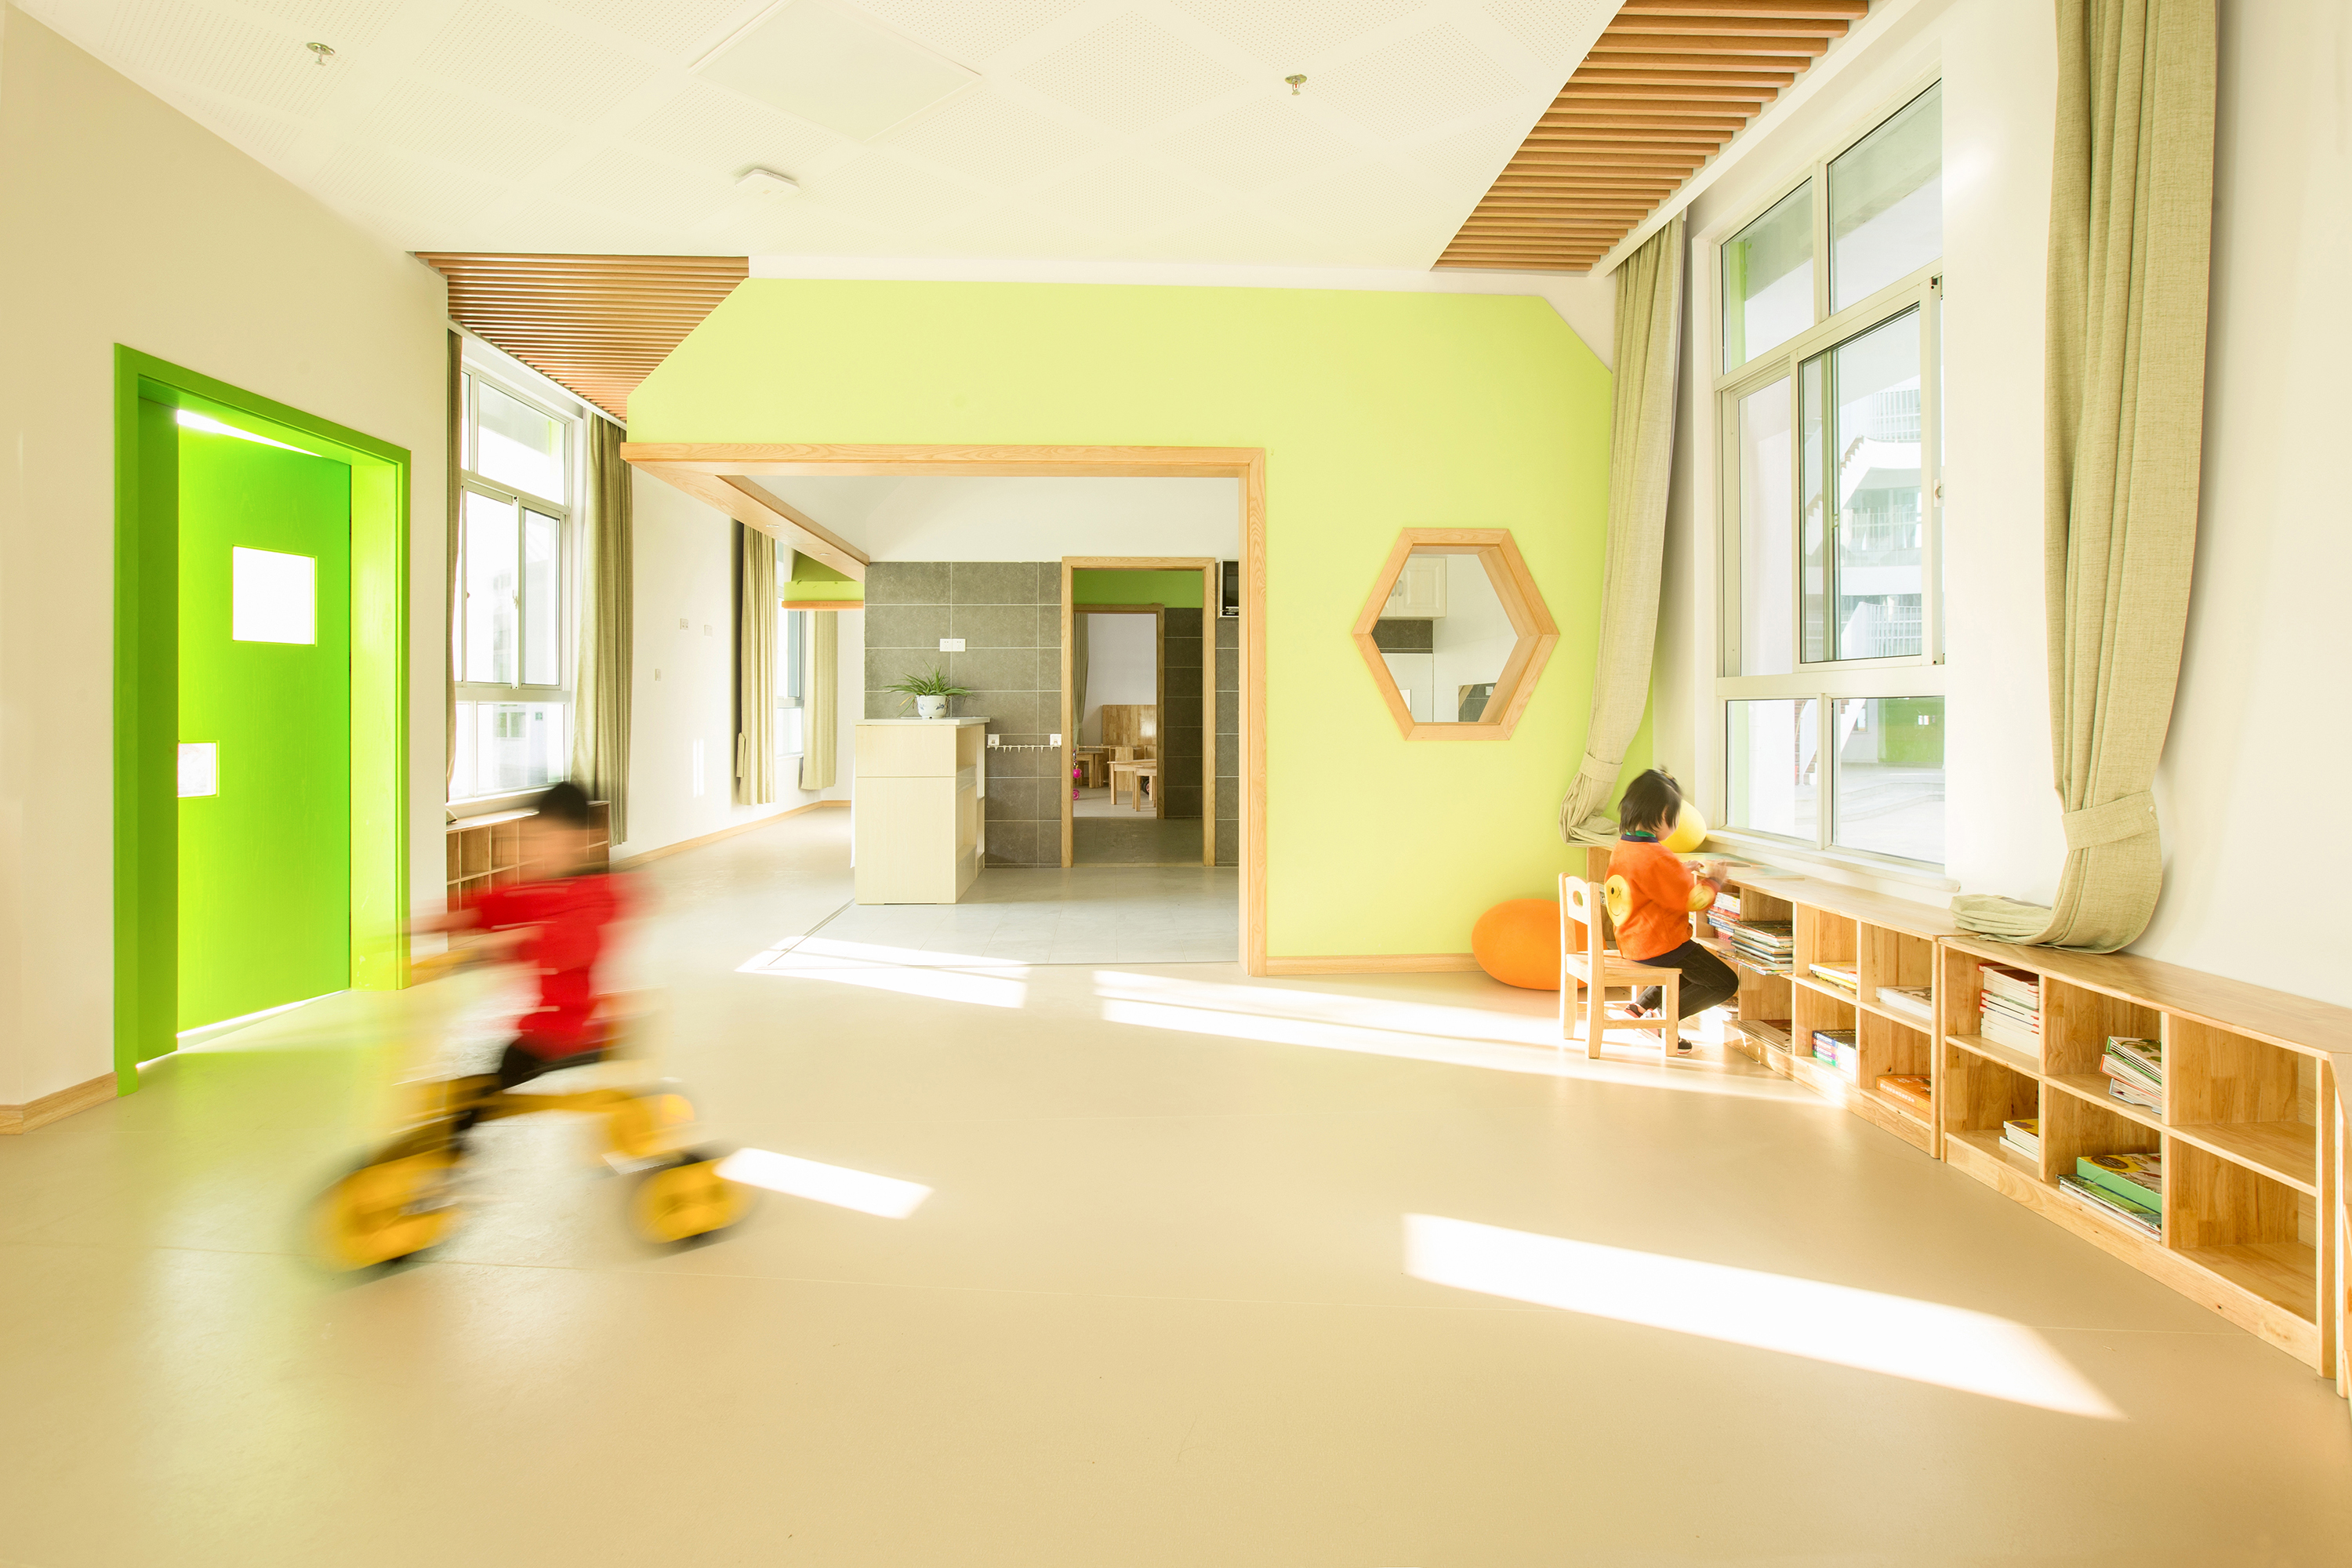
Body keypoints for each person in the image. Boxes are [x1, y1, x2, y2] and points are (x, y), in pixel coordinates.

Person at [416, 781, 626, 1091]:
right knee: (485, 1078)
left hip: (571, 1029)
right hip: (545, 1024)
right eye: (536, 838)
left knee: (487, 1084)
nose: (539, 849)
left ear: (580, 840)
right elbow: (494, 905)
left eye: (550, 839)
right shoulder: (544, 888)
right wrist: (428, 923)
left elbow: (575, 940)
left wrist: (518, 941)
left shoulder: (596, 894)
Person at [1607, 768, 1739, 1047]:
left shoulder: (1625, 846)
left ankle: (1639, 1008)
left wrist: (1678, 869)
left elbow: (1645, 880)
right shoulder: (1657, 857)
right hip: (1660, 944)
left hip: (1633, 941)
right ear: (1665, 814)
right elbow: (1693, 900)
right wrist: (1715, 881)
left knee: (1687, 969)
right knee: (1723, 981)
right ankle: (1664, 1022)